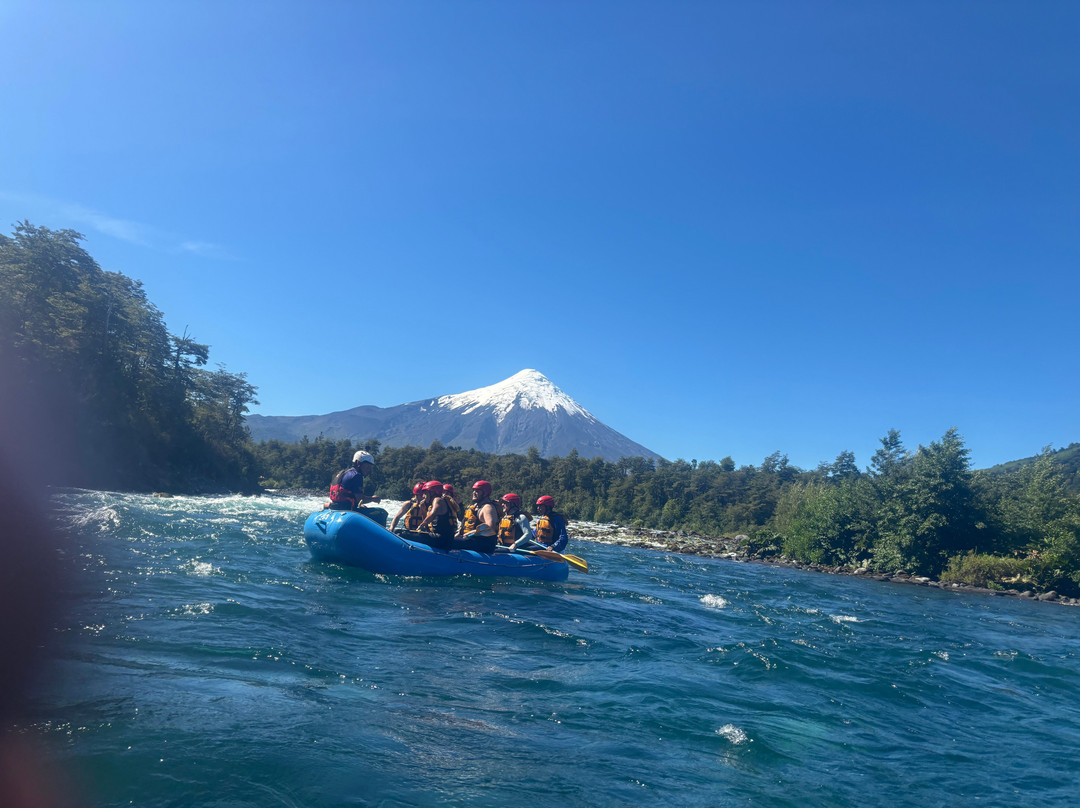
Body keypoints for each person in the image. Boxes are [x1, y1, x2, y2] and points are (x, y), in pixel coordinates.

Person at [327, 450, 388, 527]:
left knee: (364, 508)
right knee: (381, 513)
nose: (368, 469)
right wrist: (373, 499)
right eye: (367, 466)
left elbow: (353, 497)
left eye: (370, 467)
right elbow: (360, 500)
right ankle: (381, 537)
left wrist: (358, 504)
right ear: (358, 463)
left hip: (336, 507)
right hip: (348, 511)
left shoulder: (344, 473)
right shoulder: (357, 476)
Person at [451, 480, 499, 553]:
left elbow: (490, 528)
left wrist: (469, 533)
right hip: (473, 540)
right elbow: (463, 525)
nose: (474, 493)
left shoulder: (488, 508)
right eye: (473, 490)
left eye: (477, 491)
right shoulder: (475, 507)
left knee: (450, 542)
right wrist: (458, 535)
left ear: (485, 493)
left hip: (483, 544)